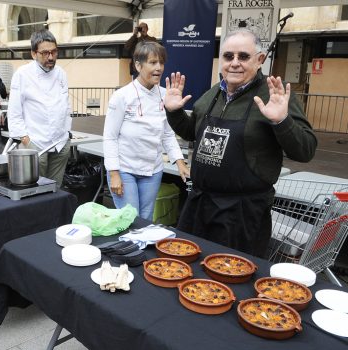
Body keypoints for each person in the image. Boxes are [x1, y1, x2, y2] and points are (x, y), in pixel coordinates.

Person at [164, 29, 317, 257]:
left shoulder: (274, 95)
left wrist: (282, 121)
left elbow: (305, 150)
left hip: (242, 213)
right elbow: (191, 132)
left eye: (243, 57)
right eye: (228, 56)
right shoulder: (212, 95)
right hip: (199, 204)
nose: (234, 63)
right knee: (187, 266)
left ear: (260, 60)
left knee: (233, 278)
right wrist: (174, 112)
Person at [104, 41, 189, 221]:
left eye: (161, 63)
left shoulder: (166, 94)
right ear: (138, 65)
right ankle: (127, 249)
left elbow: (167, 133)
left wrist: (180, 162)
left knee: (146, 218)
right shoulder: (122, 96)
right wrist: (114, 173)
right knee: (130, 219)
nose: (158, 67)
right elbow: (110, 137)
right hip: (125, 168)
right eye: (152, 62)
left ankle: (141, 250)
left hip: (153, 170)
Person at [7, 29, 72, 185]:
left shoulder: (61, 73)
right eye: (45, 53)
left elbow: (66, 105)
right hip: (35, 143)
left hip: (60, 143)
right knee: (35, 189)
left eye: (54, 52)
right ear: (33, 54)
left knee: (55, 189)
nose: (50, 57)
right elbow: (14, 111)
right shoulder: (22, 74)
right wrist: (26, 140)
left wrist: (68, 132)